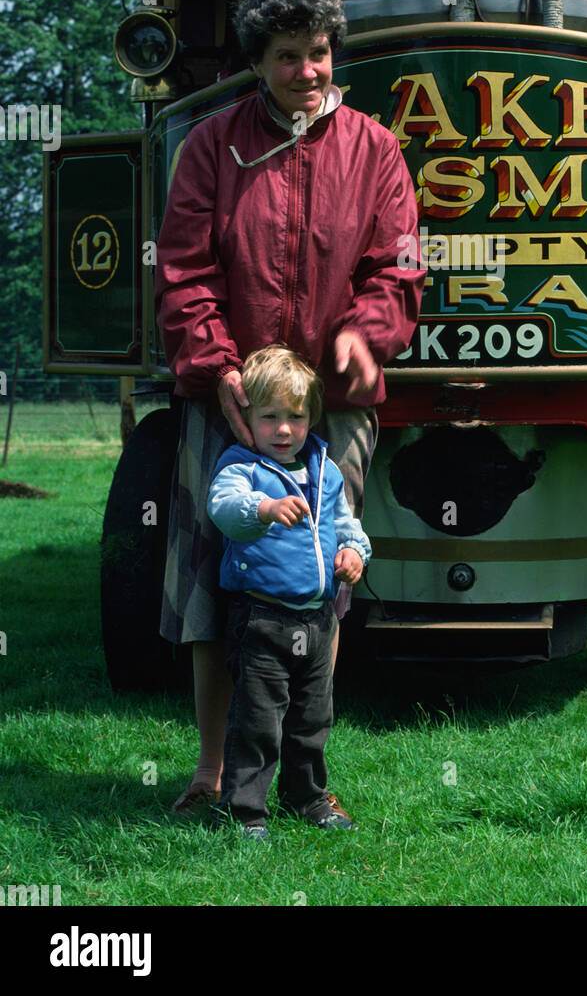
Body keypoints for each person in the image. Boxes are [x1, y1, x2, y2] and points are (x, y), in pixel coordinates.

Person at [154, 0, 423, 817]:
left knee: (315, 582)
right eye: (286, 56)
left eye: (318, 53)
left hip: (333, 407)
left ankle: (301, 777)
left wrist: (366, 333)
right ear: (256, 62)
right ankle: (210, 771)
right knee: (217, 581)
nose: (308, 72)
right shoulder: (211, 146)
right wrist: (216, 366)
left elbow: (401, 269)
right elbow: (185, 271)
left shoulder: (378, 151)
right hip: (231, 404)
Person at [207, 345, 371, 838]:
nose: (283, 429)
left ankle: (307, 799)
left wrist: (355, 555)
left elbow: (348, 526)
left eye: (295, 417)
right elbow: (224, 508)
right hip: (261, 619)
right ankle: (244, 812)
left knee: (312, 719)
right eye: (270, 416)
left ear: (311, 418)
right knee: (256, 720)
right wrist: (263, 509)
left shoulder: (326, 470)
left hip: (318, 621)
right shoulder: (241, 468)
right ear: (248, 418)